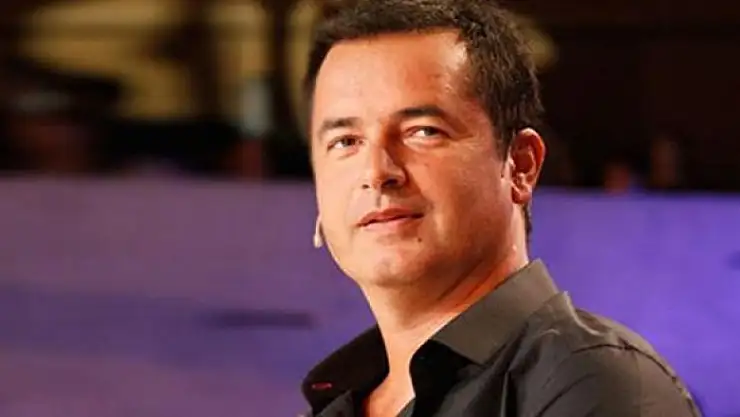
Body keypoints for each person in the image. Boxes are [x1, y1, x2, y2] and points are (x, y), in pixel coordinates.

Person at [300, 0, 701, 416]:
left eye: (423, 132)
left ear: (521, 165)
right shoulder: (334, 405)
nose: (376, 172)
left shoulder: (595, 383)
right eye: (345, 142)